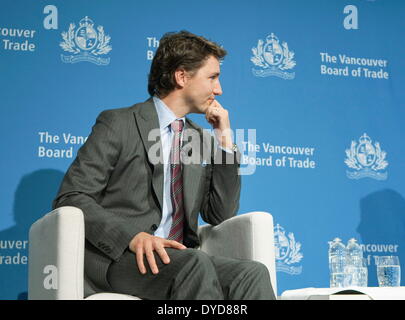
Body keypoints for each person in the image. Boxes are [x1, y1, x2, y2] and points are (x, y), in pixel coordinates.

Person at [53, 30, 275, 300]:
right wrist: (132, 237)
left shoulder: (194, 138)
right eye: (213, 77)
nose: (219, 90)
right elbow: (72, 197)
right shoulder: (119, 123)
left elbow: (220, 214)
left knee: (252, 274)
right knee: (195, 263)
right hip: (124, 256)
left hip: (179, 258)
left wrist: (224, 141)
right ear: (182, 76)